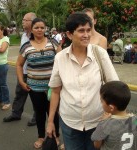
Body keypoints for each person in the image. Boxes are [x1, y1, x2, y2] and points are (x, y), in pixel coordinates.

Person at [46, 12, 119, 150]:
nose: (86, 35)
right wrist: (50, 122)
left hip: (98, 123)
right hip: (69, 123)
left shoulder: (100, 54)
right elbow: (55, 91)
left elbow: (114, 85)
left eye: (88, 30)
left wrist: (110, 113)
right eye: (81, 31)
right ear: (69, 34)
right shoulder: (60, 58)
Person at [17, 18, 60, 149]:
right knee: (39, 113)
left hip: (53, 88)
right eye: (36, 27)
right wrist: (21, 81)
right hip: (34, 87)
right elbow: (19, 65)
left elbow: (62, 61)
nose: (40, 30)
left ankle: (55, 136)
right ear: (32, 29)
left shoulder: (53, 43)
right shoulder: (26, 46)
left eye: (42, 27)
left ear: (45, 29)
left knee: (53, 113)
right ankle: (41, 137)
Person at [3, 12, 37, 126]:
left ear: (31, 22)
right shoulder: (23, 36)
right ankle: (16, 114)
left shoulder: (38, 35)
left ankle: (37, 117)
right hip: (23, 71)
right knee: (19, 93)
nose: (22, 22)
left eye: (24, 20)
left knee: (36, 96)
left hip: (34, 73)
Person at [91, 81, 137, 150]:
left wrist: (105, 120)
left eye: (102, 101)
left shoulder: (105, 124)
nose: (101, 103)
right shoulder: (135, 120)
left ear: (111, 107)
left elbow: (97, 145)